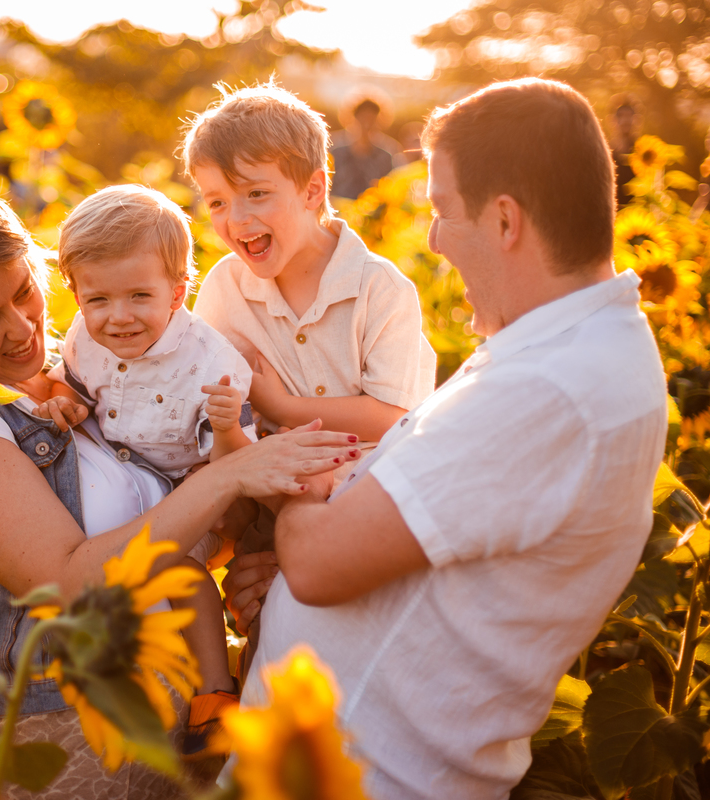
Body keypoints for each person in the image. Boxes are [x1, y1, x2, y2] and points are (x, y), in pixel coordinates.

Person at [221, 78, 668, 799]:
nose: (432, 239)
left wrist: (305, 484)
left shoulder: (551, 389)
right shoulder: (564, 348)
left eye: (442, 212)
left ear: (505, 220)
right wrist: (294, 568)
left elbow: (321, 566)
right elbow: (439, 541)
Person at [0, 183, 361, 799]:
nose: (21, 328)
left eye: (23, 292)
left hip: (180, 736)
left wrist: (254, 555)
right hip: (58, 753)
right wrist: (228, 476)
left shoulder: (83, 380)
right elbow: (68, 583)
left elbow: (174, 540)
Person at [181, 80, 436, 683]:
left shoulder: (379, 288)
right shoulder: (224, 289)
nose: (236, 219)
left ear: (313, 190)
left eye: (256, 194)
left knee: (364, 685)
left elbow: (395, 417)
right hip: (268, 525)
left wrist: (280, 403)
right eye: (216, 202)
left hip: (371, 526)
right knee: (271, 682)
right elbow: (216, 417)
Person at [37, 184, 255, 758]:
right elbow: (72, 385)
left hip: (195, 488)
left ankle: (215, 693)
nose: (119, 317)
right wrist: (64, 401)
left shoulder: (212, 364)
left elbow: (234, 470)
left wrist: (227, 426)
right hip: (124, 474)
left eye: (139, 296)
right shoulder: (84, 338)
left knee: (178, 566)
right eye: (98, 299)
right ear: (76, 294)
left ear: (177, 291)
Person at [328, 91, 401, 200]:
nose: (367, 124)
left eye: (371, 119)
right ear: (353, 118)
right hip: (338, 207)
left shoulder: (386, 155)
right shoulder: (336, 151)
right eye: (363, 118)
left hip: (372, 208)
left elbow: (390, 188)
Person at [609, 98, 639, 208]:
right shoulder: (607, 153)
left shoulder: (643, 153)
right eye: (621, 116)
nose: (625, 120)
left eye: (629, 116)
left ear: (637, 120)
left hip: (638, 213)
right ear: (612, 120)